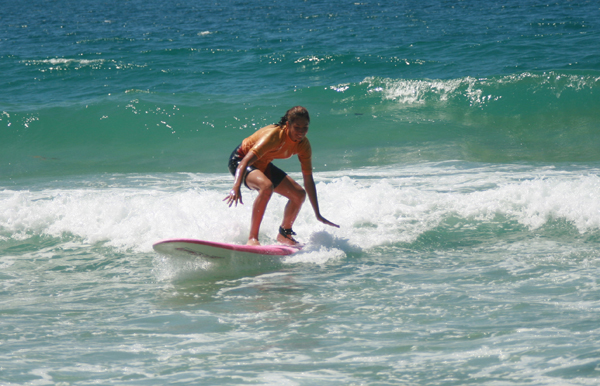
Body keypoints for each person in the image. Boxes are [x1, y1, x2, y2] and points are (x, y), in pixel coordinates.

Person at [224, 106, 339, 246]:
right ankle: (252, 238)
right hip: (240, 161)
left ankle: (285, 234)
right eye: (297, 127)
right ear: (288, 125)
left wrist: (317, 213)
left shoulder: (304, 145)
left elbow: (308, 179)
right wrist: (236, 187)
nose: (301, 132)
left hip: (263, 164)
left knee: (299, 194)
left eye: (305, 127)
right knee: (266, 187)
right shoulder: (274, 136)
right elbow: (245, 162)